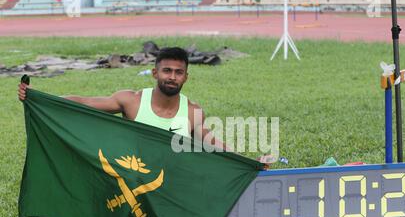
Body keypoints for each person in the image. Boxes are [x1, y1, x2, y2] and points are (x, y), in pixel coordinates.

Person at [18, 47, 274, 163]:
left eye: (178, 72)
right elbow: (84, 102)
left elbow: (214, 144)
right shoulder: (131, 100)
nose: (172, 77)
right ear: (154, 73)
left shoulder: (193, 111)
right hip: (132, 175)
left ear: (186, 77)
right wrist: (39, 98)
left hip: (172, 179)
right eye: (167, 71)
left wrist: (251, 162)